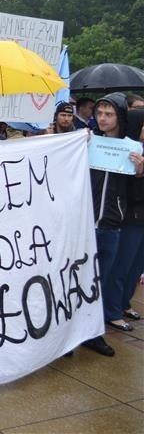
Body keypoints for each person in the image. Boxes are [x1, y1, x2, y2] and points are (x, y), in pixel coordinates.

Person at [84, 92, 143, 354]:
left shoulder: (131, 148)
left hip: (110, 224)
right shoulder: (87, 141)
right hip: (84, 223)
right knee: (82, 279)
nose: (103, 118)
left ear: (119, 116)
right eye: (99, 113)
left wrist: (140, 171)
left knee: (102, 279)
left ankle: (94, 333)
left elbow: (132, 190)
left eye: (109, 114)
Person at [111, 108, 144, 323]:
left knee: (136, 265)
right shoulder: (125, 152)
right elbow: (127, 190)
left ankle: (124, 303)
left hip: (141, 218)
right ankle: (112, 310)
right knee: (122, 266)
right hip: (130, 217)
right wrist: (139, 173)